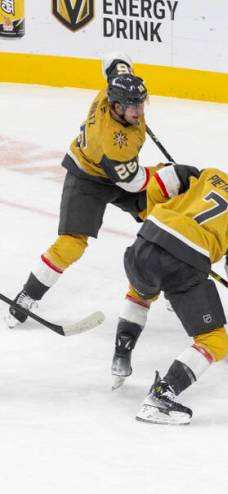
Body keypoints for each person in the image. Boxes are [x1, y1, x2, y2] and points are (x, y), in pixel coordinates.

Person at [111, 153, 228, 425]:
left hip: (145, 242)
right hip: (181, 265)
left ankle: (121, 357)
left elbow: (160, 180)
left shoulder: (211, 174)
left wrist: (161, 218)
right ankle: (160, 398)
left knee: (141, 291)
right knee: (215, 341)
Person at [5, 53, 157, 328]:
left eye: (141, 103)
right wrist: (165, 175)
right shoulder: (112, 141)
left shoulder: (116, 93)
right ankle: (28, 295)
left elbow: (115, 58)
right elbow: (133, 182)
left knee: (164, 216)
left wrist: (122, 72)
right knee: (72, 244)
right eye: (132, 106)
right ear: (116, 106)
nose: (139, 111)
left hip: (118, 171)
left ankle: (171, 279)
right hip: (88, 177)